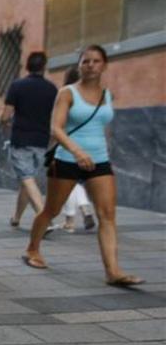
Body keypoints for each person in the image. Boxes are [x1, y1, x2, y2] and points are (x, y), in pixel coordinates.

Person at [23, 45, 144, 288]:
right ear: (79, 65)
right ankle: (32, 249)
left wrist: (102, 153)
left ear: (104, 65)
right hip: (67, 159)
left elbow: (103, 127)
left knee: (107, 215)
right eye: (86, 61)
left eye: (96, 61)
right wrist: (77, 151)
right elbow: (56, 128)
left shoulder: (107, 95)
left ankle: (113, 270)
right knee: (51, 210)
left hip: (98, 161)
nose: (90, 65)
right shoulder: (67, 93)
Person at [0, 52, 58, 228]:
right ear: (44, 66)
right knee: (28, 179)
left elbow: (6, 115)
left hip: (21, 139)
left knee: (26, 177)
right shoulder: (52, 89)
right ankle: (16, 217)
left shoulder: (17, 86)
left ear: (27, 66)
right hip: (42, 142)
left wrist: (4, 122)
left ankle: (44, 218)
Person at [58, 65, 96, 233]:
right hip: (90, 143)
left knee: (67, 182)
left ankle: (70, 220)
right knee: (78, 181)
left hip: (70, 144)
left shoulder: (66, 96)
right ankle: (85, 207)